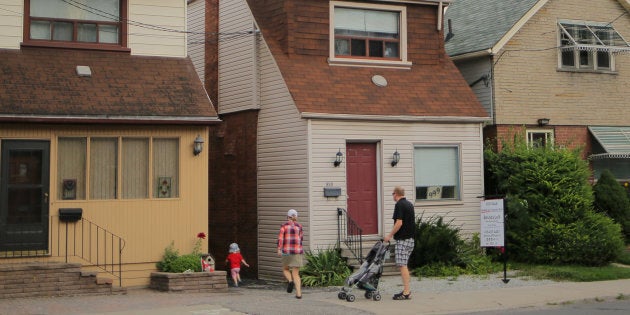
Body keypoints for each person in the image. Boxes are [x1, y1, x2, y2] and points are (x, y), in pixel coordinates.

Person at [383, 186, 415, 300]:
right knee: (404, 265)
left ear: (395, 194)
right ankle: (406, 290)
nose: (392, 196)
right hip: (410, 240)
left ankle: (406, 292)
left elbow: (399, 223)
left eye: (392, 194)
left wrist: (389, 235)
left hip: (403, 240)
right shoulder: (409, 204)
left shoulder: (399, 205)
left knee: (402, 266)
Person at [277, 209, 304, 299]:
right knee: (296, 273)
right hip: (297, 251)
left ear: (287, 216)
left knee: (285, 269)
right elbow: (301, 238)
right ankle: (299, 294)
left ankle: (290, 281)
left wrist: (279, 249)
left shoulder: (284, 226)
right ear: (296, 216)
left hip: (286, 251)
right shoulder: (299, 226)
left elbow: (280, 239)